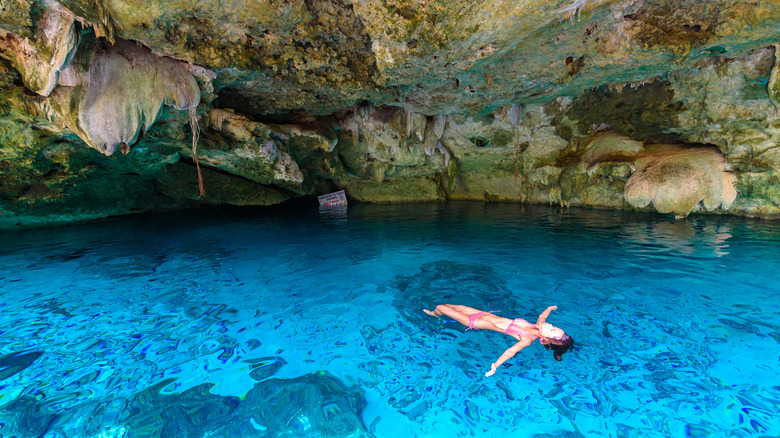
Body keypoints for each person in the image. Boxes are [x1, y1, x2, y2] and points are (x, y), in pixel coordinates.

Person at [423, 304, 574, 377]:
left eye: (552, 329)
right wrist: (550, 308)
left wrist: (495, 365)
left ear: (546, 340)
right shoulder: (539, 326)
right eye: (554, 326)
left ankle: (434, 315)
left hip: (473, 322)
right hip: (481, 313)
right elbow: (543, 317)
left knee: (441, 307)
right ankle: (436, 313)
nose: (551, 325)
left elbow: (511, 351)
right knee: (451, 305)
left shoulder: (527, 339)